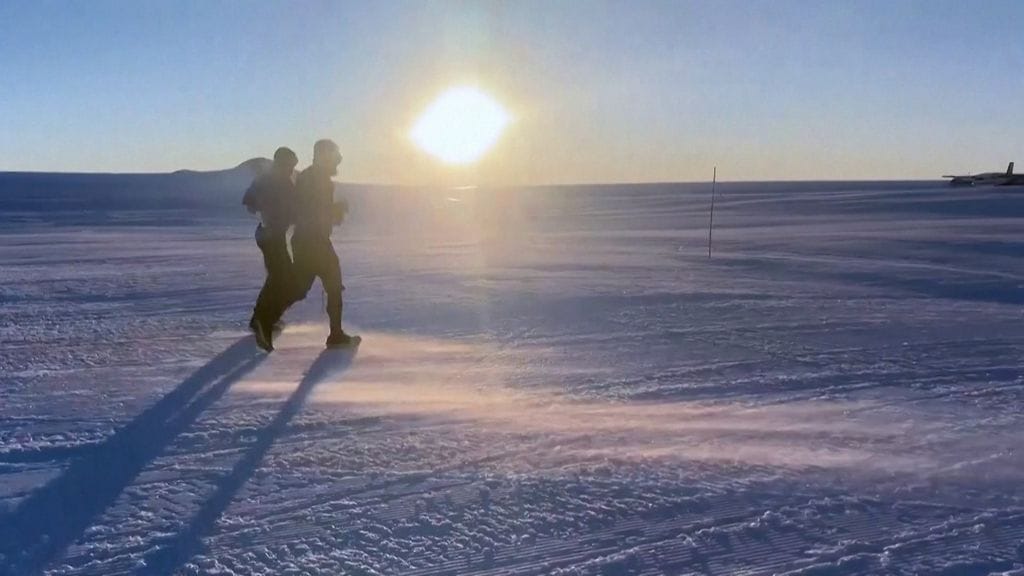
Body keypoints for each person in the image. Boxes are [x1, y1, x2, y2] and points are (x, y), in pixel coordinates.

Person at [278, 139, 359, 348]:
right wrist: (336, 210)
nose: (337, 162)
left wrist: (334, 211)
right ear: (325, 156)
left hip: (310, 240)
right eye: (335, 157)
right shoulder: (316, 179)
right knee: (330, 284)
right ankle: (336, 335)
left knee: (303, 288)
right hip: (313, 241)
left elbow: (313, 210)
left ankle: (265, 318)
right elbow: (313, 211)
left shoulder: (312, 176)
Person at [242, 146, 298, 351]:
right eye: (291, 164)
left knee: (278, 277)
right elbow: (251, 202)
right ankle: (263, 322)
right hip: (271, 236)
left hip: (269, 235)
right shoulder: (278, 181)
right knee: (284, 279)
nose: (292, 168)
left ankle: (261, 318)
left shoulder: (272, 179)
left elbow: (249, 203)